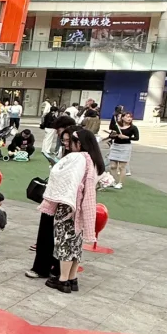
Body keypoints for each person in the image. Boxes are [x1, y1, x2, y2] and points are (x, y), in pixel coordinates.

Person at [39, 126, 104, 294]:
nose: (68, 144)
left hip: (69, 205)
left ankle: (62, 280)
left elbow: (61, 176)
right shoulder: (92, 159)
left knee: (64, 243)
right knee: (75, 244)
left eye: (71, 141)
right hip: (81, 206)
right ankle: (72, 278)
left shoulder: (77, 158)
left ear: (79, 143)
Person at [25, 118, 76, 280]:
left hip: (68, 200)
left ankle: (58, 269)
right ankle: (44, 267)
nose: (63, 141)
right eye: (63, 138)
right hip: (54, 196)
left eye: (66, 138)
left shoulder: (82, 156)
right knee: (47, 232)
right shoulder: (65, 151)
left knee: (61, 236)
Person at [106, 110, 139, 188]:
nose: (129, 118)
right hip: (115, 146)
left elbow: (136, 138)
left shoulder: (133, 128)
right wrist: (115, 135)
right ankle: (113, 181)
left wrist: (127, 137)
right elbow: (111, 136)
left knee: (121, 167)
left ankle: (120, 183)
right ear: (122, 118)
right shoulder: (117, 126)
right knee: (113, 166)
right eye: (127, 116)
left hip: (125, 147)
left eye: (130, 117)